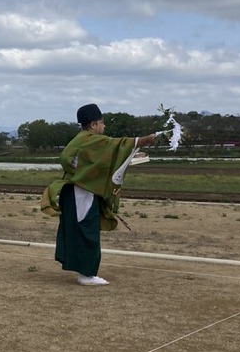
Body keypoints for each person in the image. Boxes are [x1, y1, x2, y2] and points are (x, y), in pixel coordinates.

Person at [41, 104, 157, 287]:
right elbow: (115, 146)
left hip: (79, 191)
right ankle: (86, 273)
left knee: (83, 229)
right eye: (102, 123)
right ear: (94, 124)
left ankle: (85, 271)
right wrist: (146, 139)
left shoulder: (81, 141)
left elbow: (104, 160)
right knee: (87, 230)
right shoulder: (91, 141)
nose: (104, 127)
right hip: (81, 192)